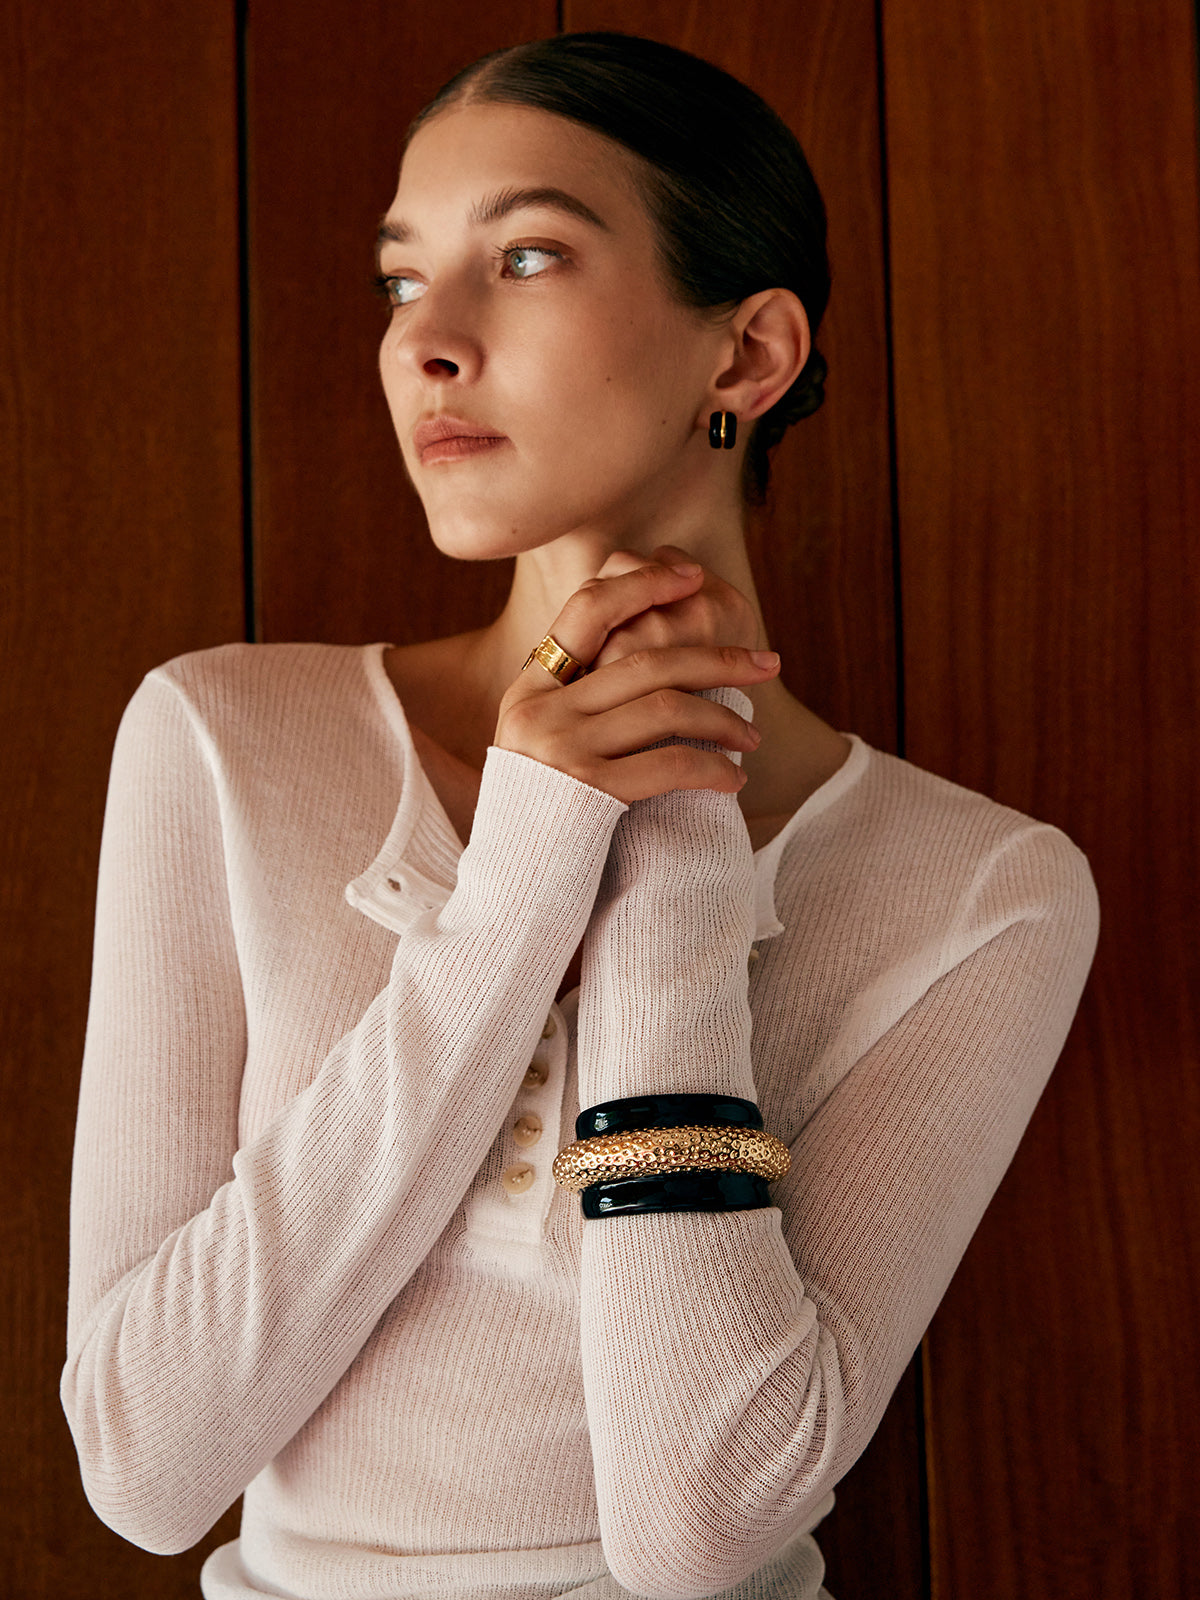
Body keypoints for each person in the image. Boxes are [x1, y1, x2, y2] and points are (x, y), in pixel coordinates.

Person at [61, 31, 1099, 1600]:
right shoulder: (224, 741)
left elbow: (701, 1529)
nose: (427, 342)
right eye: (400, 280)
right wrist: (525, 869)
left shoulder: (985, 892)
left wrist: (675, 845)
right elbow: (145, 1466)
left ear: (747, 358)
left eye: (528, 256)